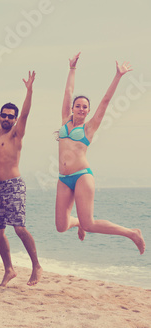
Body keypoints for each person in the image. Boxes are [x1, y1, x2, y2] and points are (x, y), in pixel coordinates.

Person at [55, 52, 145, 254]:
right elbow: (68, 91)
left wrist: (118, 76)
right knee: (61, 226)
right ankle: (78, 223)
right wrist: (72, 68)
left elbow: (105, 101)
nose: (80, 109)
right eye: (77, 106)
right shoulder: (64, 120)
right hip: (63, 178)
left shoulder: (89, 128)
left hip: (81, 177)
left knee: (90, 224)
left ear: (88, 111)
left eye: (84, 107)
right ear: (72, 108)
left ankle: (132, 233)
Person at [0, 62, 42, 286]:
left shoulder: (16, 134)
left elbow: (25, 113)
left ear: (14, 119)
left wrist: (30, 91)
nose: (5, 118)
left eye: (9, 116)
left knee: (19, 228)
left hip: (14, 185)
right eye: (4, 115)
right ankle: (9, 269)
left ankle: (36, 265)